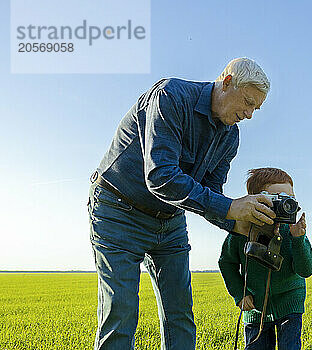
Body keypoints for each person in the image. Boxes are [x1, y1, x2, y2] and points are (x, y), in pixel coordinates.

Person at [88, 58, 277, 350]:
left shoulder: (230, 136)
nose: (250, 114)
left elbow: (211, 193)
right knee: (122, 312)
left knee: (180, 315)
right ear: (227, 82)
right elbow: (161, 176)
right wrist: (231, 208)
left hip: (170, 220)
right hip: (118, 209)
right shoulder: (171, 97)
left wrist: (245, 224)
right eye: (248, 102)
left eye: (256, 108)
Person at [219, 168, 312, 350]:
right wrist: (239, 293)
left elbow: (306, 269)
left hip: (290, 303)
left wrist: (298, 238)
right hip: (255, 307)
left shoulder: (292, 230)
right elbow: (226, 263)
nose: (286, 204)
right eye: (278, 198)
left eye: (290, 198)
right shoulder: (242, 231)